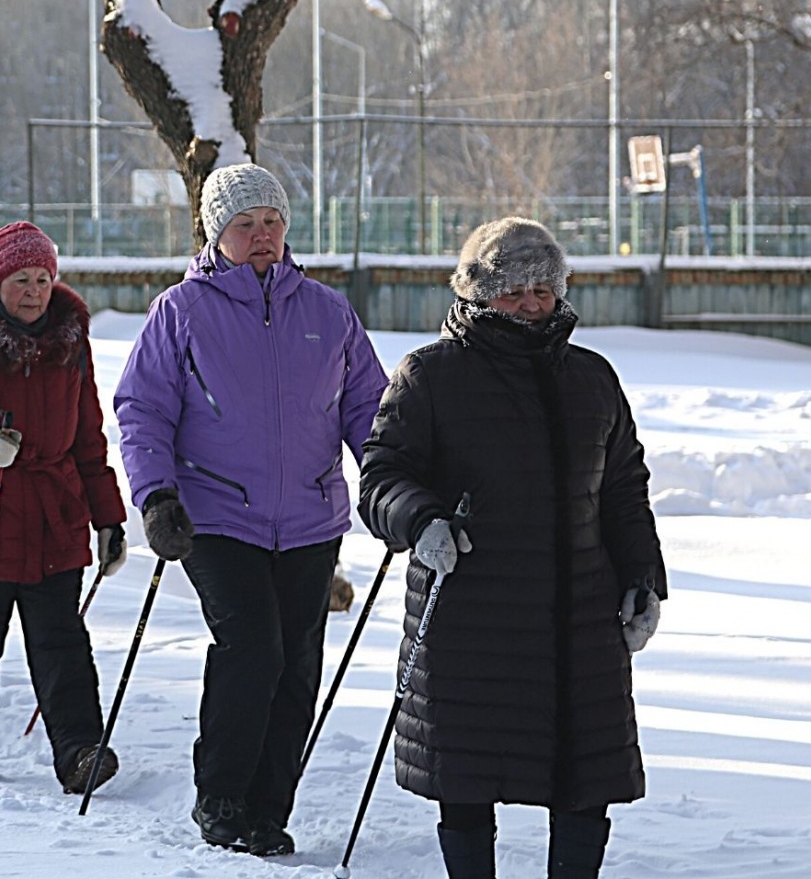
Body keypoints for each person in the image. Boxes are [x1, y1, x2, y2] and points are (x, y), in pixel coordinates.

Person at [358, 218, 666, 879]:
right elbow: (383, 475)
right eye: (511, 291)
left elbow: (623, 489)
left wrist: (643, 578)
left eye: (542, 289)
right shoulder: (430, 375)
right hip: (472, 617)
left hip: (579, 616)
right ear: (475, 296)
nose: (529, 304)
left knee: (589, 778)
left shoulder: (592, 378)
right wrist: (421, 521)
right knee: (469, 782)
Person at [113, 163, 387, 857]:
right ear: (216, 232)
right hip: (213, 515)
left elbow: (370, 411)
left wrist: (393, 482)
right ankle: (222, 795)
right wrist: (156, 496)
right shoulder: (181, 311)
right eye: (245, 224)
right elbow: (142, 409)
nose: (261, 235)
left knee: (296, 664)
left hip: (310, 518)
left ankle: (269, 807)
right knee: (252, 648)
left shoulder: (328, 313)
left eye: (271, 222)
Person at [0, 221, 127, 787]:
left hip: (51, 519)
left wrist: (109, 519)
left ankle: (80, 751)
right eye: (21, 278)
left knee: (62, 644)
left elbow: (89, 438)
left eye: (43, 277)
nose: (34, 290)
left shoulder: (71, 345)